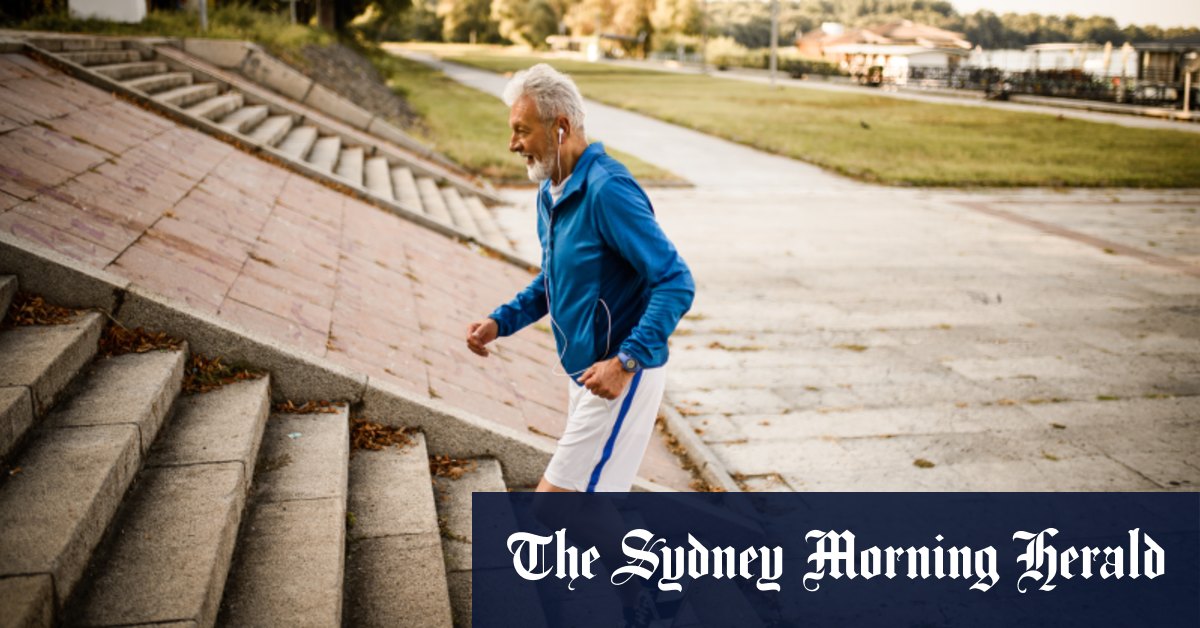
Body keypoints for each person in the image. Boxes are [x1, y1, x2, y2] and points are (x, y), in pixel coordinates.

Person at [465, 63, 694, 495]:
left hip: (621, 374)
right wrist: (501, 322)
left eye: (521, 130)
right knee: (590, 510)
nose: (512, 144)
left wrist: (625, 363)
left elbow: (676, 281)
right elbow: (554, 279)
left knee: (554, 505)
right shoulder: (551, 191)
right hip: (588, 374)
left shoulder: (608, 190)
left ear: (561, 128)